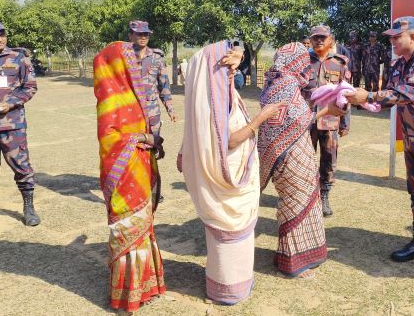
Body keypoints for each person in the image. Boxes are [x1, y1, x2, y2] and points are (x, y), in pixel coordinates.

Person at [347, 16, 414, 277]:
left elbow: (408, 92)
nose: (393, 41)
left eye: (398, 37)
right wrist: (363, 101)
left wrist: (370, 95)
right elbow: (389, 95)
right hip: (411, 138)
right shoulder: (397, 65)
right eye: (391, 37)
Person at [177, 42, 281, 304]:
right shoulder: (217, 102)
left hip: (221, 179)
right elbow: (231, 142)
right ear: (215, 73)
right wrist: (261, 118)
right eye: (227, 70)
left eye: (235, 68)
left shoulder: (206, 97)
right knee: (232, 237)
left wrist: (238, 55)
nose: (233, 73)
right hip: (229, 181)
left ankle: (223, 286)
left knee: (224, 240)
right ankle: (230, 289)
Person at [257, 42, 346, 278]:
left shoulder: (276, 82)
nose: (307, 70)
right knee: (297, 202)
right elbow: (297, 121)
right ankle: (294, 262)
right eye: (304, 64)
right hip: (289, 156)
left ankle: (302, 254)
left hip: (290, 152)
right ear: (295, 63)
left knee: (298, 201)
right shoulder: (285, 84)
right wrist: (327, 111)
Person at [94, 41, 166, 312]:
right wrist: (146, 137)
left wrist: (152, 142)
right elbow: (109, 138)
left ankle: (148, 284)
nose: (135, 67)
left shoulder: (133, 94)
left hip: (140, 167)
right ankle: (128, 293)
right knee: (129, 226)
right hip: (124, 173)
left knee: (143, 225)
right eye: (129, 62)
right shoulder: (110, 96)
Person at [302, 25, 351, 217]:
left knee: (329, 159)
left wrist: (345, 122)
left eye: (323, 37)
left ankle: (324, 196)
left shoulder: (339, 63)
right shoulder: (303, 62)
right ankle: (306, 196)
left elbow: (346, 94)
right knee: (305, 159)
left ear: (330, 39)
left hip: (330, 120)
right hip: (306, 119)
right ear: (311, 40)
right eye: (316, 38)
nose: (319, 41)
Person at [0, 21, 40, 226]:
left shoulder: (18, 58)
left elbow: (30, 87)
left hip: (11, 124)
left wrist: (10, 103)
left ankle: (29, 207)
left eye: (2, 33)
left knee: (21, 167)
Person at [128, 20, 178, 136]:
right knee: (134, 146)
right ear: (130, 36)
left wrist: (171, 110)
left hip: (152, 112)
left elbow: (164, 86)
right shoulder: (124, 58)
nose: (144, 37)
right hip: (131, 110)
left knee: (154, 144)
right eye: (139, 34)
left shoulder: (157, 57)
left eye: (146, 34)